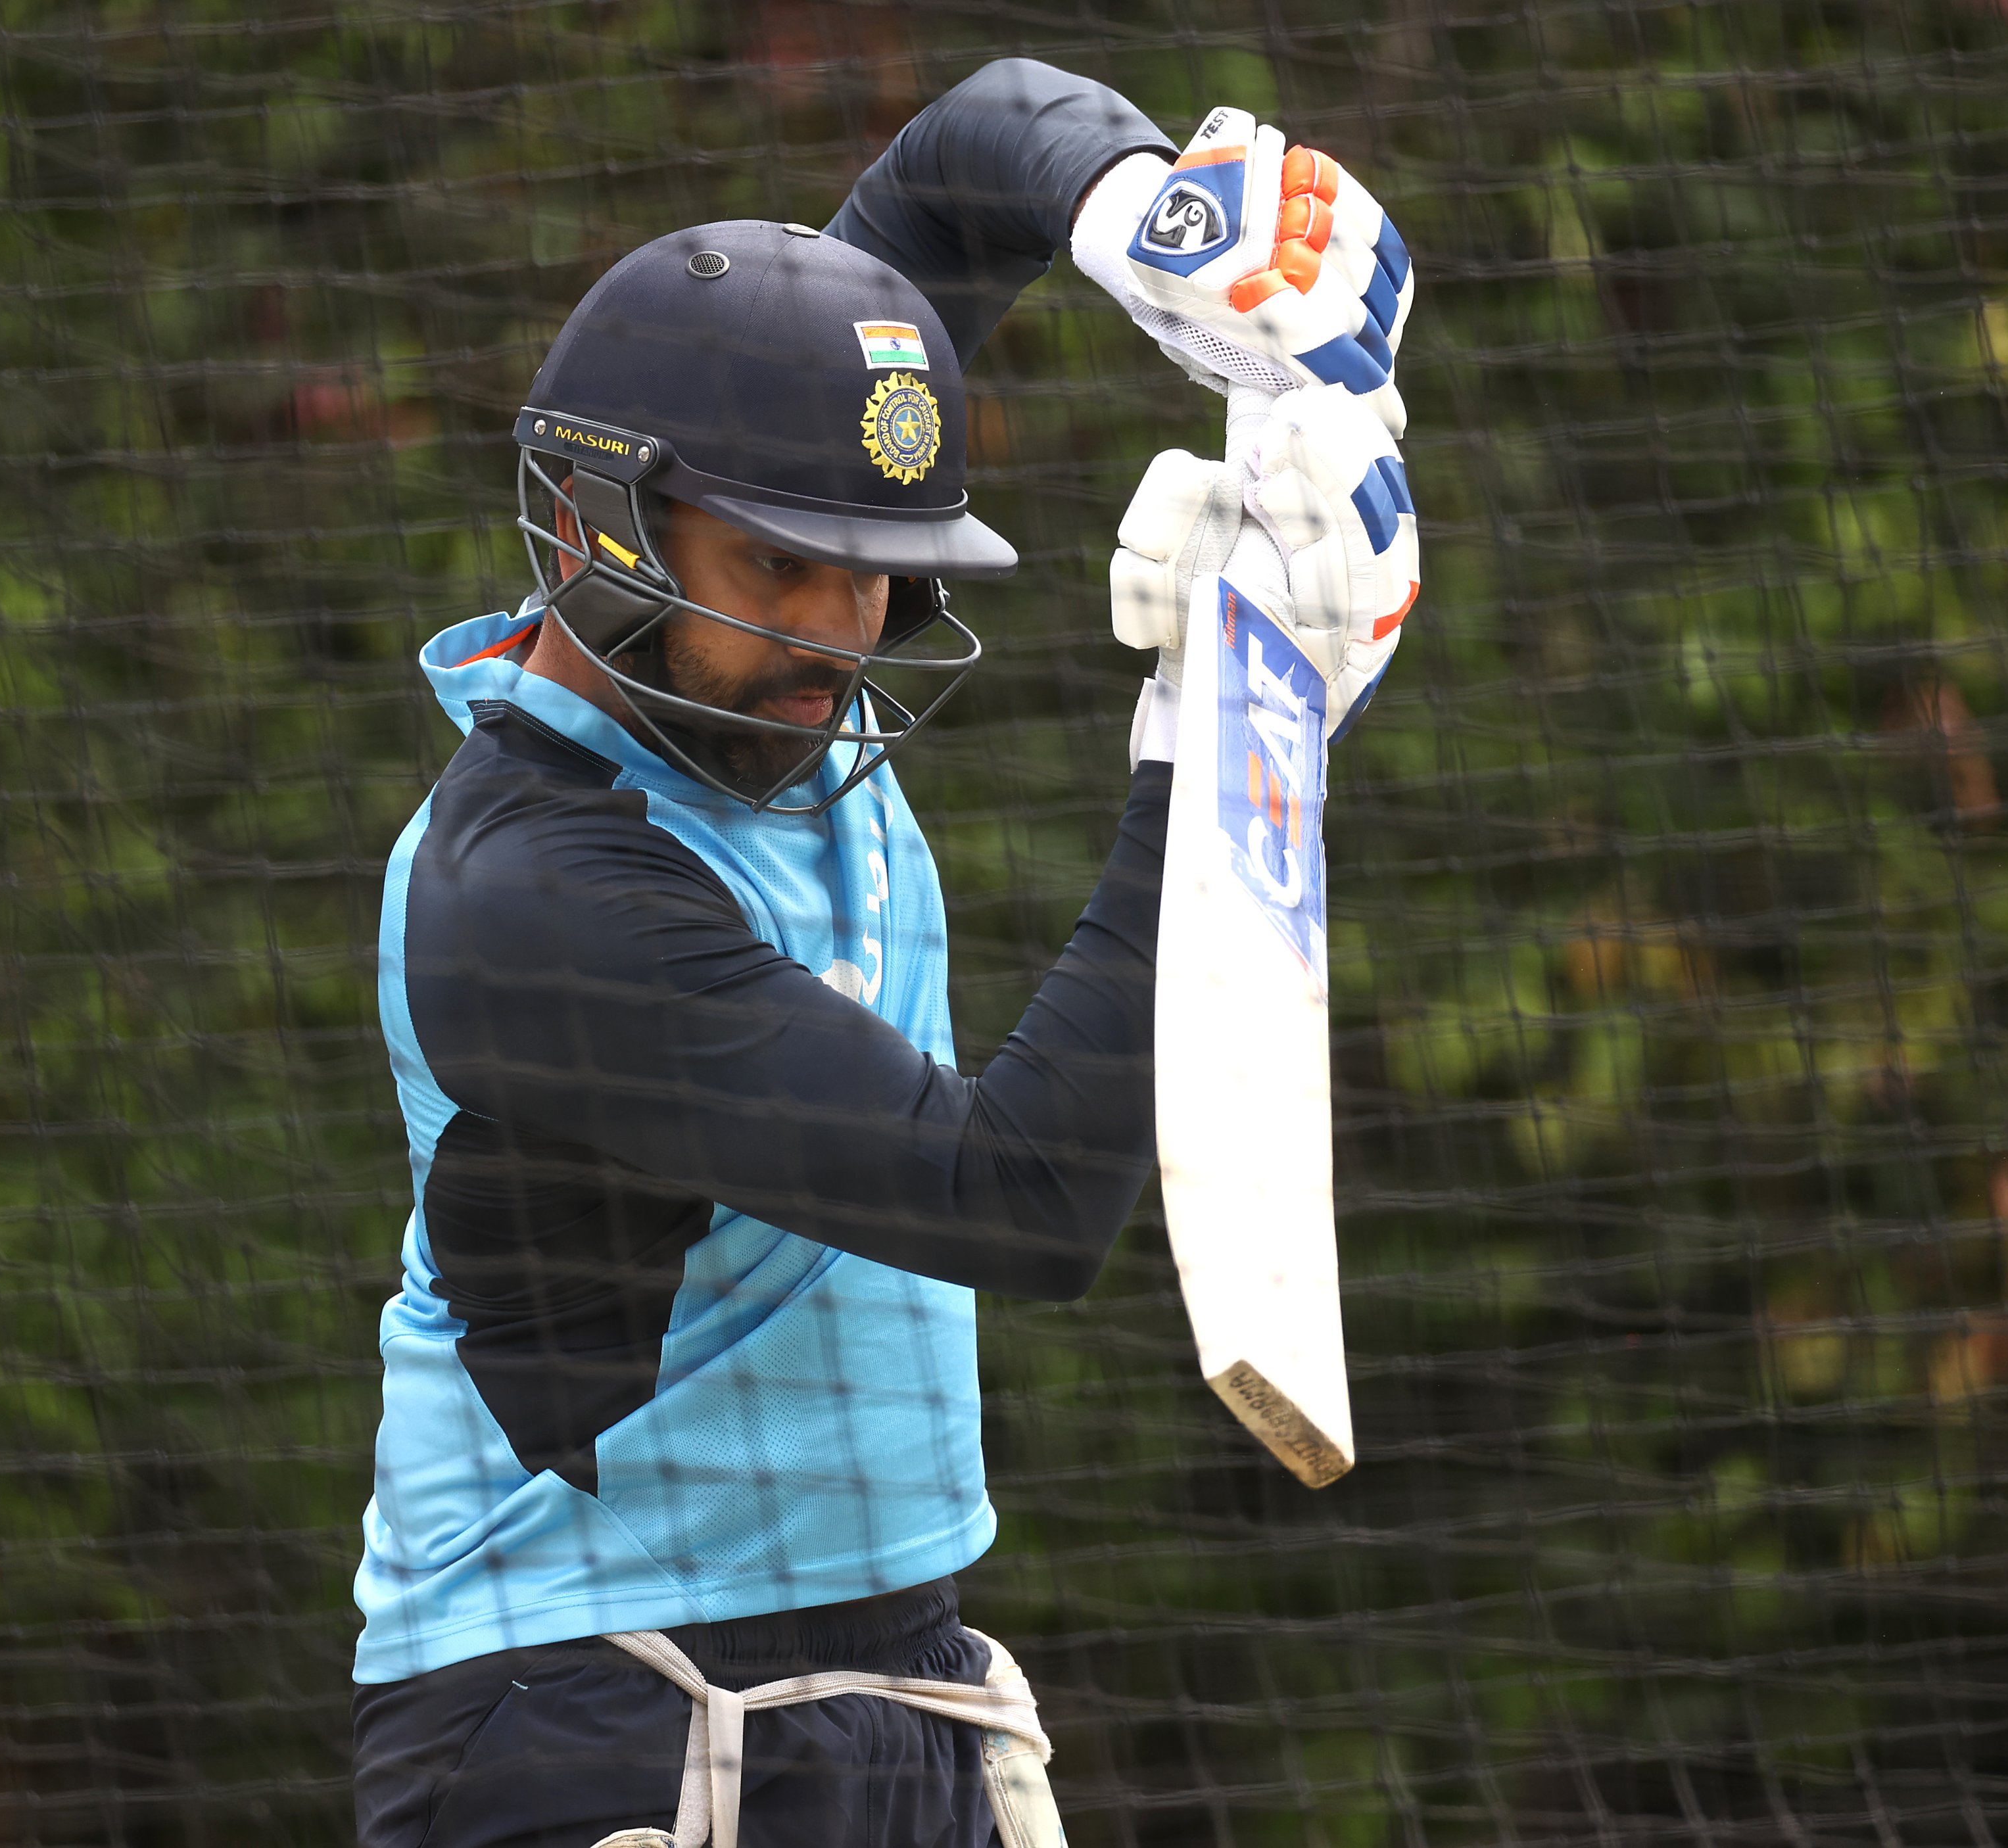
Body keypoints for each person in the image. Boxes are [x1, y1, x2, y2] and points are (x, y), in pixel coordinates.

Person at [347, 58, 1418, 1848]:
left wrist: (1150, 220)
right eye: (785, 568)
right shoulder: (530, 899)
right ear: (605, 530)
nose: (840, 632)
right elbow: (1016, 1195)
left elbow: (960, 153)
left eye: (883, 570)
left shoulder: (739, 627)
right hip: (584, 1720)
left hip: (889, 1683)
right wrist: (1223, 731)